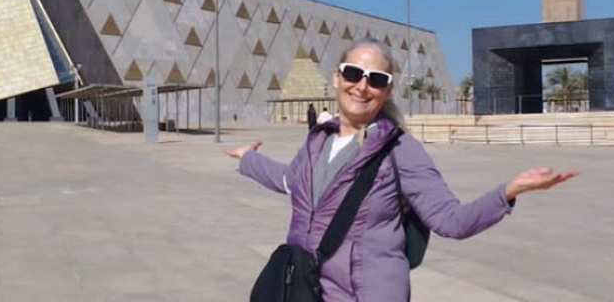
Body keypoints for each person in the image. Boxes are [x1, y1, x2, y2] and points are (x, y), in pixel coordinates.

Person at [227, 37, 578, 302]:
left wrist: (507, 192)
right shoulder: (318, 141)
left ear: (388, 89)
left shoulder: (400, 150)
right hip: (308, 289)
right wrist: (248, 160)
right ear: (336, 78)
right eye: (353, 73)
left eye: (375, 79)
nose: (362, 86)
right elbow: (290, 180)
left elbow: (450, 221)